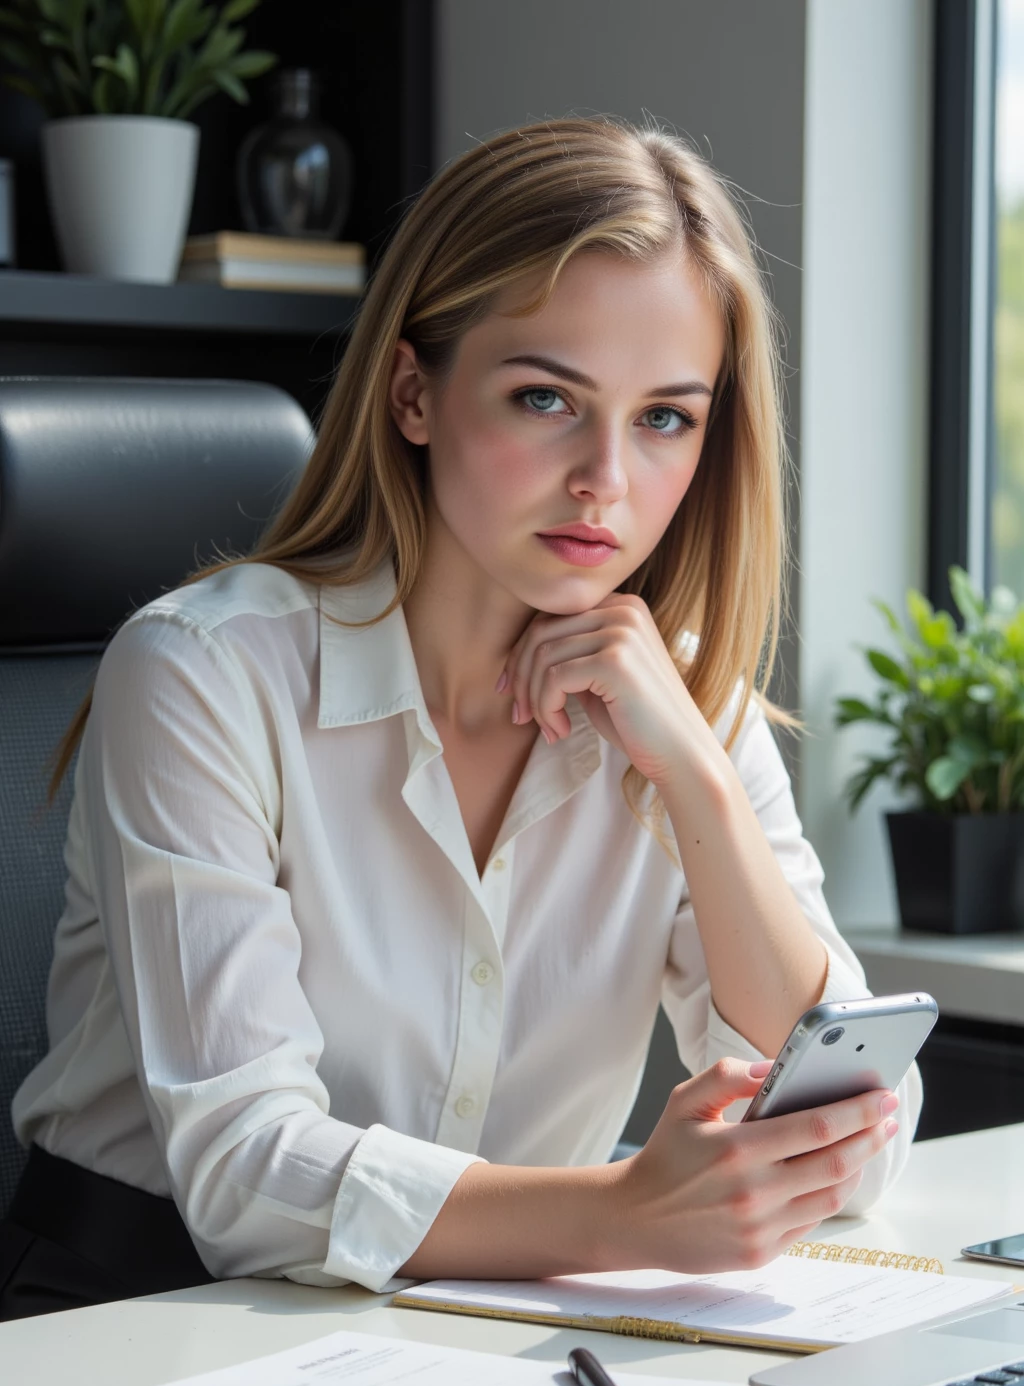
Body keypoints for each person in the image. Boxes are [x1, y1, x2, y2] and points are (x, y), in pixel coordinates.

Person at [0, 117, 921, 1322]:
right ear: (413, 392)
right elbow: (242, 1167)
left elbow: (858, 1136)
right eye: (547, 397)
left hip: (480, 1324)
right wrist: (627, 1214)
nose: (606, 478)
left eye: (665, 418)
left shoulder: (682, 711)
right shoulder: (202, 674)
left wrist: (697, 783)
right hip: (136, 1314)